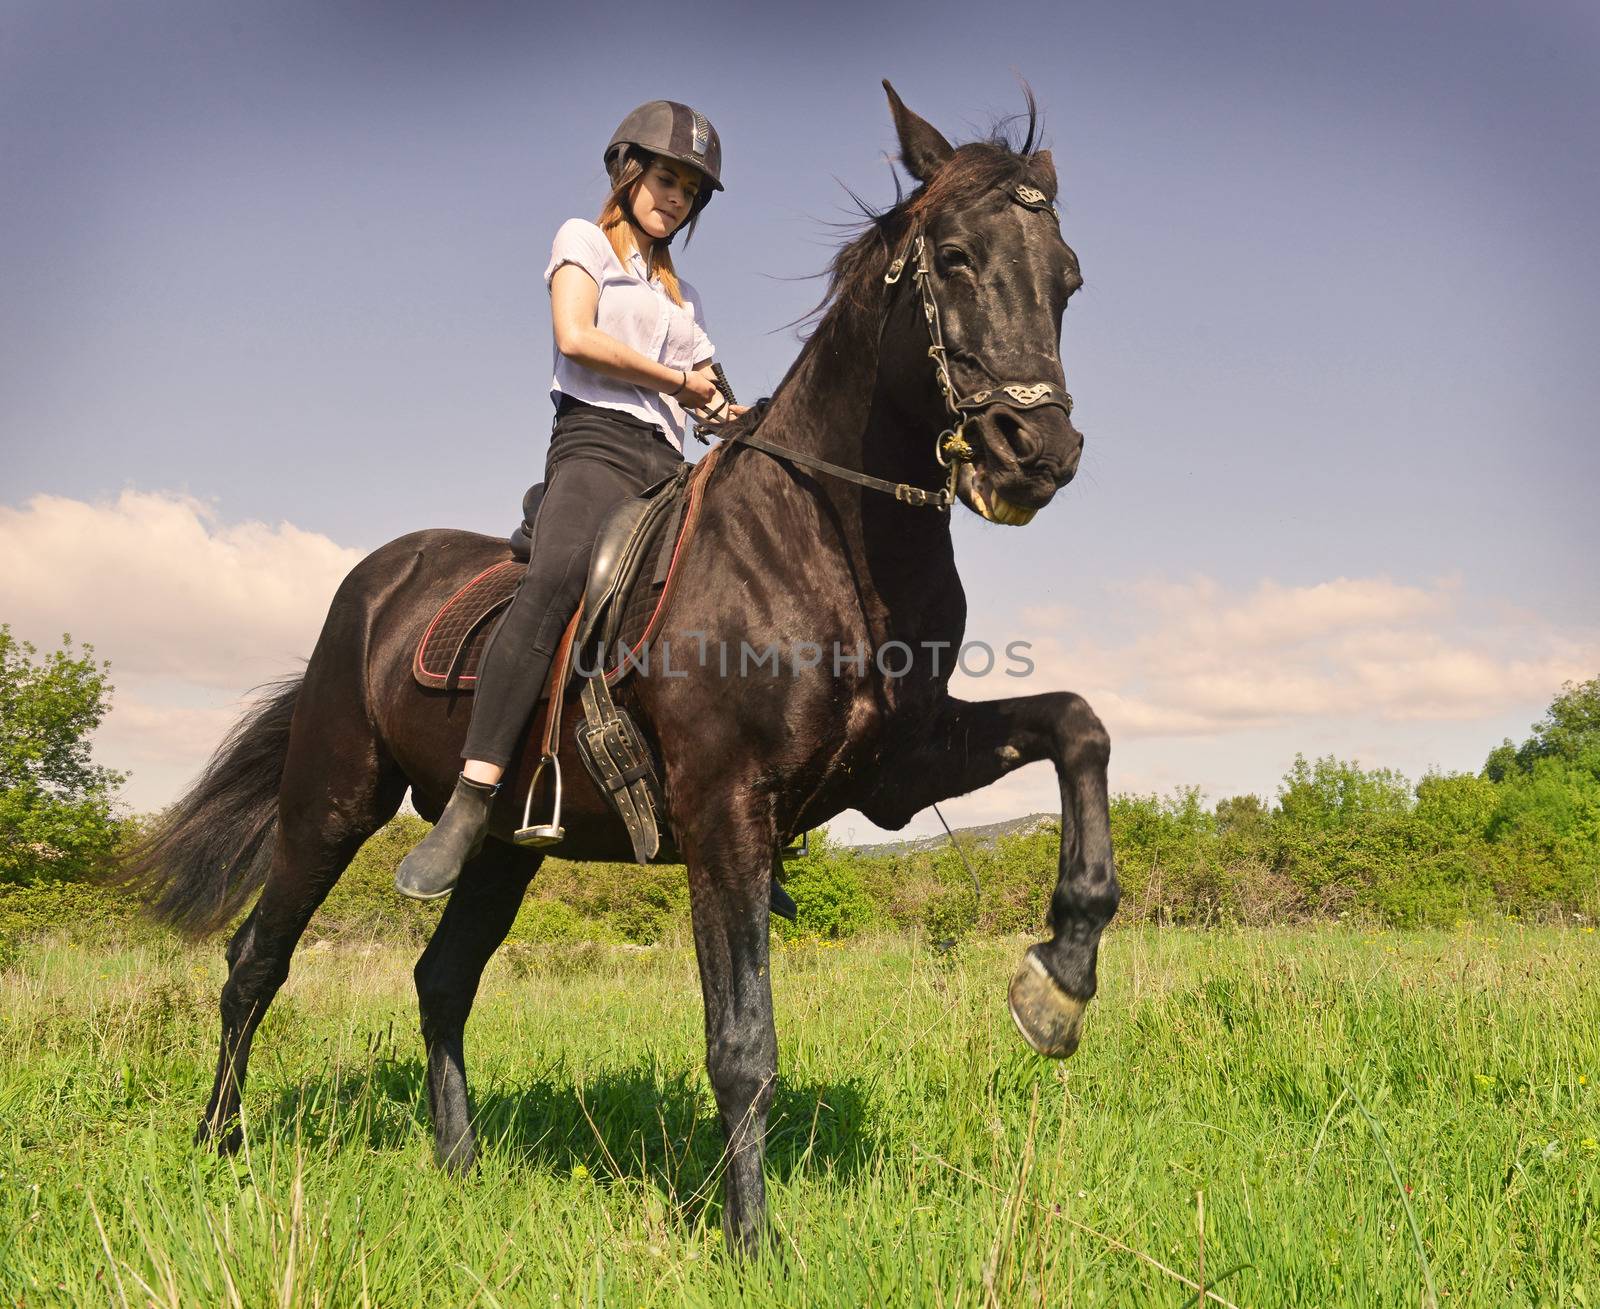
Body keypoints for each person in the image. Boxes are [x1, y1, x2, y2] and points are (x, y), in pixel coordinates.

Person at [395, 100, 740, 901]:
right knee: (553, 582)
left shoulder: (683, 299)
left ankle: (734, 818)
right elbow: (577, 337)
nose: (676, 197)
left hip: (668, 465)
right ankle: (471, 798)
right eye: (666, 177)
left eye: (691, 190)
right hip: (595, 447)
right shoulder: (580, 241)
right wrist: (680, 383)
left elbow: (714, 400)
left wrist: (743, 415)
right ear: (628, 172)